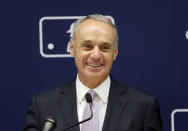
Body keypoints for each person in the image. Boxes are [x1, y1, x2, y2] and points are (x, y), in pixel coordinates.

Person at [23, 14, 163, 131]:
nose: (96, 55)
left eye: (105, 47)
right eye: (87, 46)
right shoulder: (42, 106)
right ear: (72, 48)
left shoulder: (143, 107)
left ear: (115, 52)